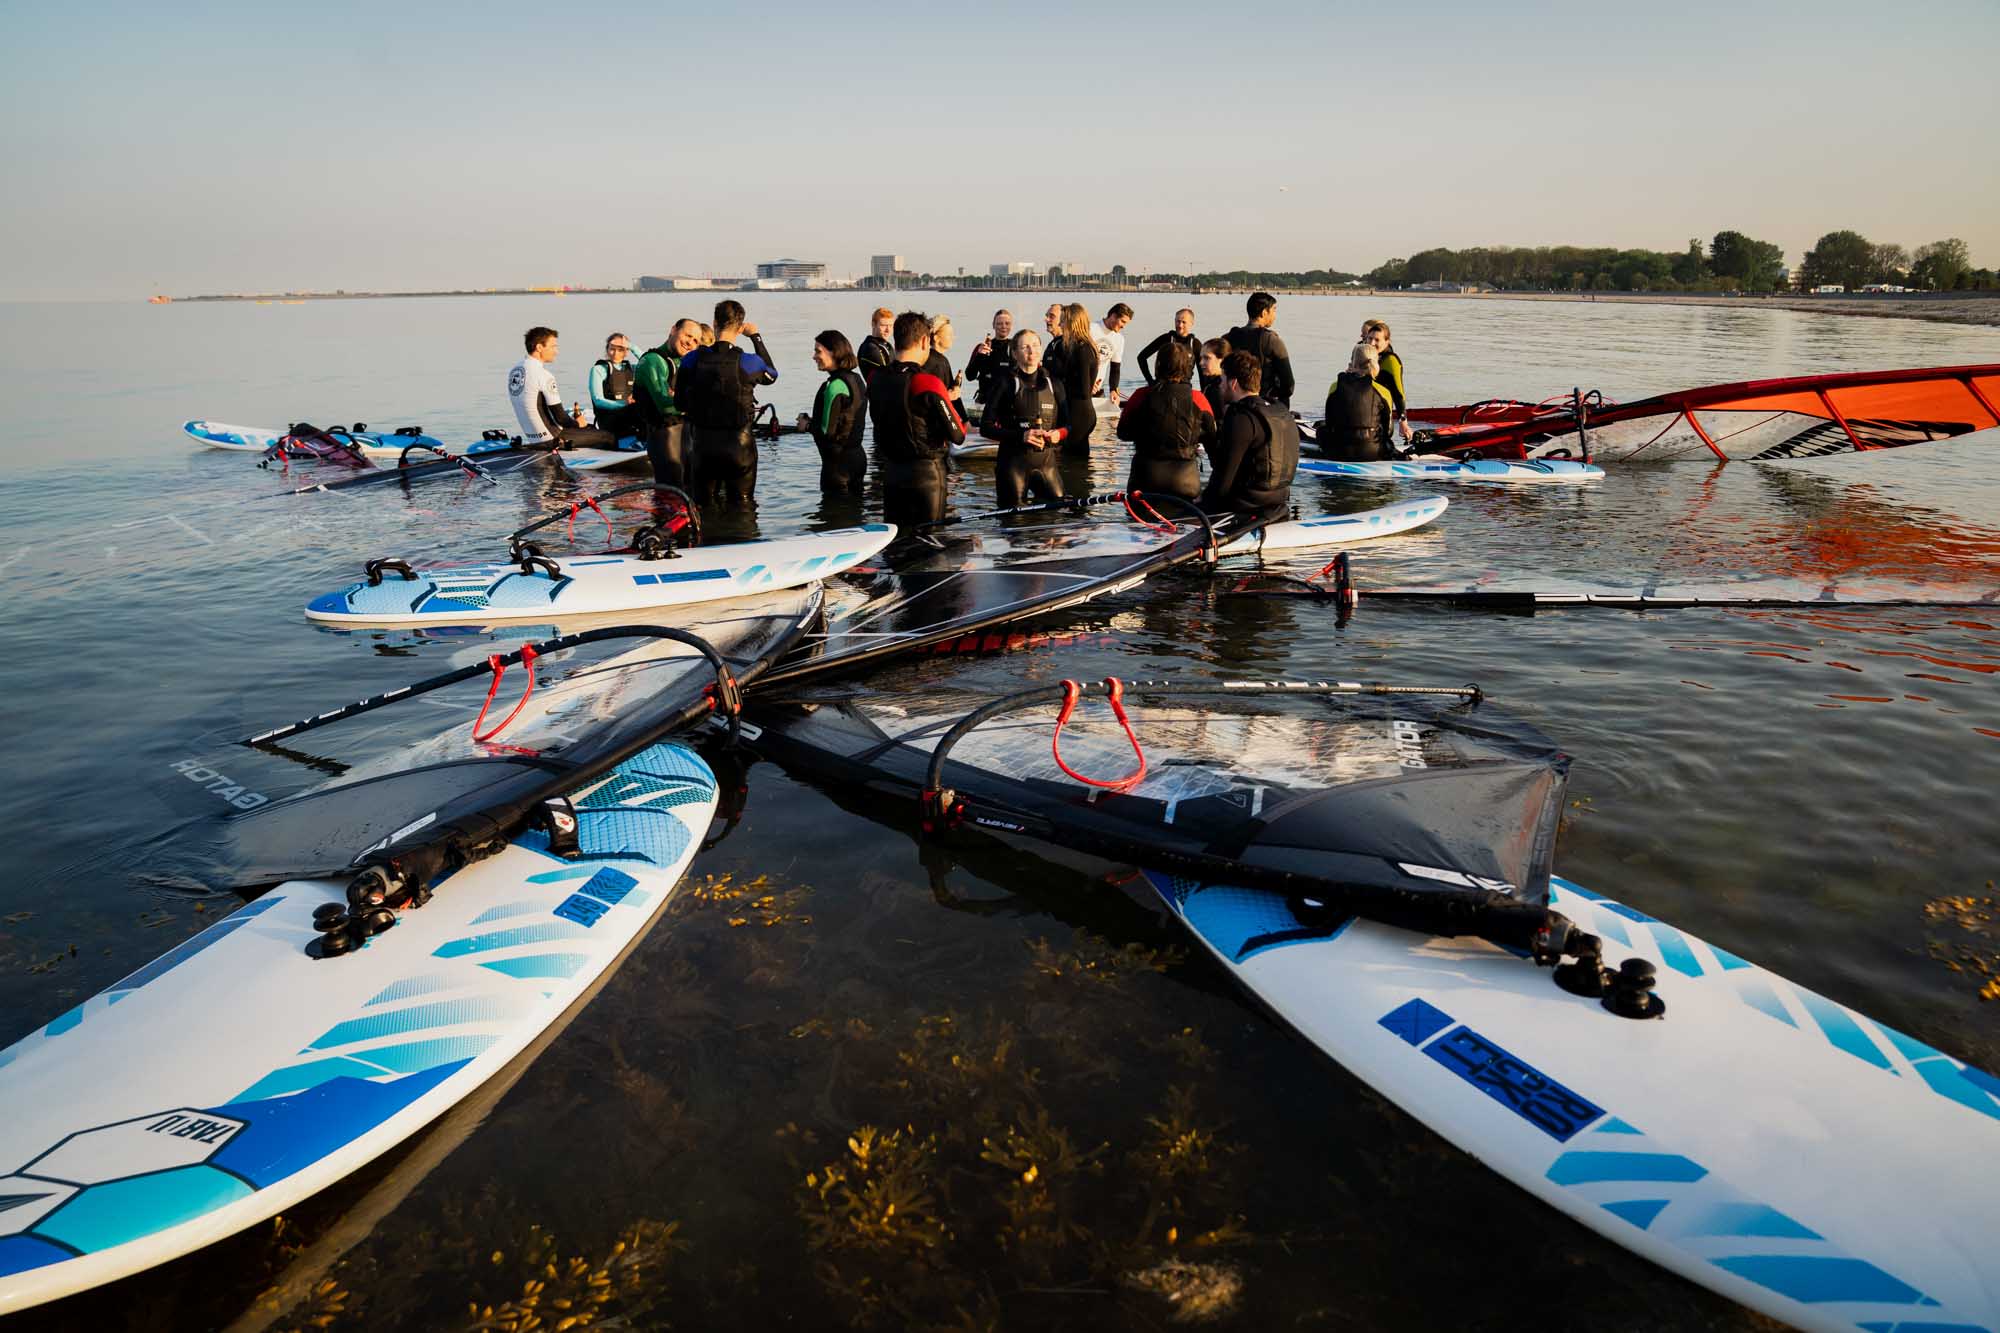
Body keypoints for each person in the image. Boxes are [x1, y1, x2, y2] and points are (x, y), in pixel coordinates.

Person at [867, 310, 966, 528]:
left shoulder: (875, 379)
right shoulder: (927, 383)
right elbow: (958, 435)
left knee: (895, 541)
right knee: (929, 540)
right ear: (924, 341)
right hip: (926, 475)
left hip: (891, 472)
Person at [676, 299, 778, 507]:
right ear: (740, 328)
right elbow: (772, 375)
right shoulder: (749, 362)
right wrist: (756, 337)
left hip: (703, 447)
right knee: (742, 505)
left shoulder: (691, 360)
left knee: (703, 506)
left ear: (714, 323)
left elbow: (679, 403)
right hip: (739, 447)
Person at [1199, 350, 1299, 521]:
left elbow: (1223, 479)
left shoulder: (1240, 417)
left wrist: (1201, 503)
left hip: (1246, 506)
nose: (1220, 385)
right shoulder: (1281, 411)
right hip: (1279, 501)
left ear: (1234, 383)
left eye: (1223, 379)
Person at [1115, 342, 1216, 501]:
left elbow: (1122, 433)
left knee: (1140, 524)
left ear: (1158, 365)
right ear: (1187, 367)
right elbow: (1212, 438)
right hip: (1185, 480)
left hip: (1145, 477)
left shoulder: (1140, 395)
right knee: (1184, 524)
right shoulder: (1198, 398)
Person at [979, 330, 1069, 507]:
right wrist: (1021, 436)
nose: (1031, 351)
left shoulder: (1054, 383)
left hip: (1046, 464)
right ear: (1015, 353)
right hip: (1013, 465)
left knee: (1057, 516)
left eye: (1035, 345)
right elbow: (985, 427)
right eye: (1025, 347)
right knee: (1014, 523)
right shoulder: (1005, 383)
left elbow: (1068, 425)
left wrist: (1058, 434)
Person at [508, 327, 619, 449]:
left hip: (532, 437)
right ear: (539, 347)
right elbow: (560, 417)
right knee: (608, 436)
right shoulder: (544, 375)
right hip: (553, 438)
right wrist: (578, 424)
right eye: (553, 346)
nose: (556, 351)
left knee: (588, 429)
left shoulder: (515, 370)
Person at [632, 318, 702, 486]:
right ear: (673, 330)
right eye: (688, 335)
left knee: (690, 493)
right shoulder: (652, 361)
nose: (690, 343)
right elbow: (665, 405)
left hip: (686, 440)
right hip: (664, 440)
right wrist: (697, 405)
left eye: (695, 341)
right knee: (671, 493)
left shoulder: (684, 362)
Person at [798, 330, 868, 493]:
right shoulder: (857, 379)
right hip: (858, 459)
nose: (814, 356)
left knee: (834, 517)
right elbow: (844, 420)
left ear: (834, 352)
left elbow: (827, 433)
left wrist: (806, 426)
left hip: (837, 467)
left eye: (818, 351)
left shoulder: (834, 386)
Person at [1320, 341, 1395, 462]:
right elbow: (1389, 431)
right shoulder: (1383, 391)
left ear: (1352, 362)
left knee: (1321, 429)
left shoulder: (1335, 386)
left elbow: (1329, 422)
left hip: (1338, 452)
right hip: (1372, 452)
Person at [1223, 291, 1295, 408]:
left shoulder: (1228, 337)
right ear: (1264, 313)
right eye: (1274, 310)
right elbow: (1288, 384)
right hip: (1265, 404)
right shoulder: (1271, 340)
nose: (1275, 315)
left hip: (1234, 403)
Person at [1050, 302, 1100, 455]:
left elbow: (1084, 390)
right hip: (1076, 411)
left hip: (1079, 414)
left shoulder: (1083, 349)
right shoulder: (1075, 346)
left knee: (1073, 461)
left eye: (1063, 320)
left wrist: (1061, 384)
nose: (1060, 324)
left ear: (1073, 323)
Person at [1361, 318, 1409, 442]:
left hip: (1380, 421)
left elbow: (1399, 394)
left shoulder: (1391, 361)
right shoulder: (1361, 353)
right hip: (1359, 413)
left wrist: (1403, 422)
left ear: (1387, 342)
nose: (1371, 343)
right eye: (1369, 338)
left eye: (1377, 340)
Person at [587, 333, 639, 441]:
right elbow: (598, 401)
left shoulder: (632, 369)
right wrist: (623, 404)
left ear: (626, 351)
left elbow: (650, 363)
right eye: (612, 349)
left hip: (629, 416)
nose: (615, 353)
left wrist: (632, 346)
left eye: (620, 350)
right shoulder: (598, 369)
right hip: (608, 420)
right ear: (607, 349)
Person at [963, 309, 1015, 412]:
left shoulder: (1016, 347)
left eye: (1007, 323)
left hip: (1008, 403)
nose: (1003, 326)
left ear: (1011, 325)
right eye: (999, 323)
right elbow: (969, 376)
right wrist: (979, 356)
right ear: (993, 325)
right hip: (984, 402)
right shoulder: (982, 347)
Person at [1136, 309, 1200, 385]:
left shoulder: (1195, 344)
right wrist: (1150, 380)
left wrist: (1204, 392)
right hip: (1163, 386)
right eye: (1178, 321)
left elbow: (1202, 372)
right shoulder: (1166, 339)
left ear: (1191, 323)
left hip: (1184, 387)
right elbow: (1141, 357)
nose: (1180, 325)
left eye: (1184, 322)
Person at [1091, 302, 1134, 406]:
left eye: (1126, 323)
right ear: (1113, 316)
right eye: (1122, 321)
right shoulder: (1091, 329)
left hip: (1098, 389)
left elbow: (1115, 368)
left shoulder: (1119, 339)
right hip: (1080, 387)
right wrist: (1087, 382)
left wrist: (1113, 390)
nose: (1123, 326)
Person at [922, 314, 963, 404]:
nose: (953, 338)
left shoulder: (930, 358)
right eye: (949, 335)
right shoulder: (938, 362)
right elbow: (937, 398)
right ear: (936, 338)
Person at [857, 307, 895, 383]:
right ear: (873, 324)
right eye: (883, 325)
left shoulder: (887, 346)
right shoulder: (869, 347)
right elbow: (888, 375)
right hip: (877, 393)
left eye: (890, 326)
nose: (888, 330)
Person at [1197, 337, 1230, 406]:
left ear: (1222, 360)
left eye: (1207, 358)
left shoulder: (1221, 390)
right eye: (1201, 358)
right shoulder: (1211, 385)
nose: (1201, 362)